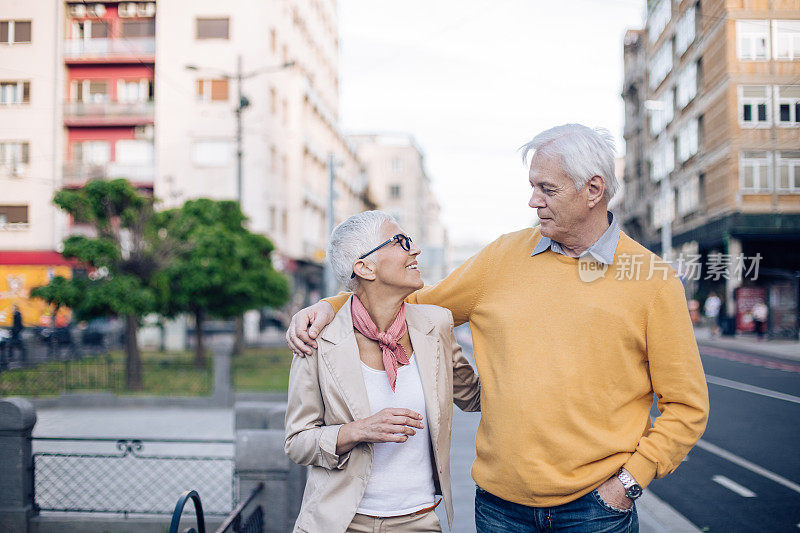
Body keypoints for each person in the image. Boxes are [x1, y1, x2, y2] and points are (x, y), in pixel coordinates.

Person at [287, 124, 710, 532]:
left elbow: (687, 407)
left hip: (596, 511)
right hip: (500, 508)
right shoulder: (502, 258)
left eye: (547, 189)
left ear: (593, 191)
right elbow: (409, 304)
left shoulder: (653, 282)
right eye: (533, 187)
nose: (533, 201)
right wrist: (331, 305)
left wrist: (629, 482)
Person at [284, 210, 481, 533]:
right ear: (364, 266)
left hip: (418, 520)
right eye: (400, 242)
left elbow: (473, 397)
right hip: (339, 522)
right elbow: (297, 441)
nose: (414, 249)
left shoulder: (437, 325)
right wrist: (357, 431)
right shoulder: (318, 337)